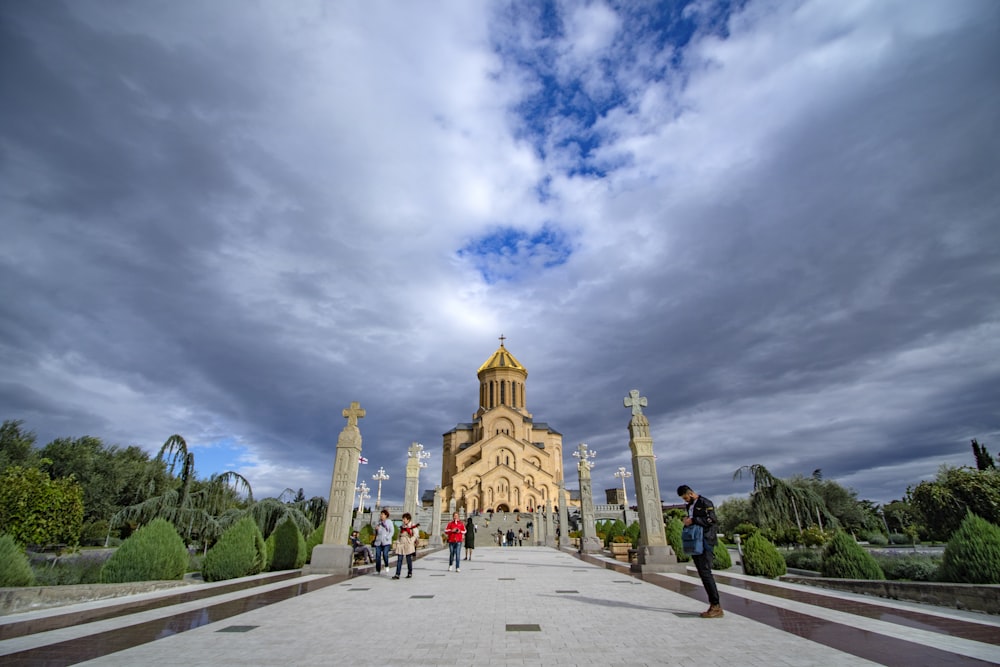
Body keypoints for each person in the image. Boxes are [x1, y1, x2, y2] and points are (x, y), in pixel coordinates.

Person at [678, 485, 723, 618]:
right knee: (702, 573)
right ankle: (713, 604)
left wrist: (694, 520)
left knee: (705, 572)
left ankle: (716, 605)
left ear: (691, 493)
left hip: (705, 540)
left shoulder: (705, 503)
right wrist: (687, 522)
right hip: (695, 541)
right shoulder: (690, 505)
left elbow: (712, 520)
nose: (685, 500)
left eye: (685, 497)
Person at [392, 513, 419, 580]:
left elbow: (416, 535)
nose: (403, 520)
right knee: (399, 559)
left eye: (404, 519)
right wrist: (398, 542)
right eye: (403, 519)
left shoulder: (412, 526)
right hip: (401, 543)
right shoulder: (402, 526)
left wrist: (411, 541)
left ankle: (410, 572)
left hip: (408, 543)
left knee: (408, 559)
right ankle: (397, 574)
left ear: (408, 519)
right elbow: (399, 534)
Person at [373, 509, 393, 575]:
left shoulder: (389, 522)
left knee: (385, 554)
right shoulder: (378, 522)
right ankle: (378, 570)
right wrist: (376, 529)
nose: (381, 515)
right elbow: (376, 533)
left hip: (386, 542)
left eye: (383, 514)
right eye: (381, 514)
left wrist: (387, 537)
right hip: (378, 541)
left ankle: (386, 565)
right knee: (378, 556)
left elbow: (392, 531)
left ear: (386, 515)